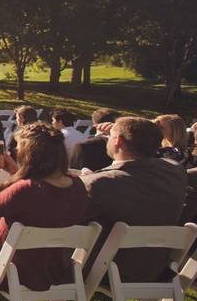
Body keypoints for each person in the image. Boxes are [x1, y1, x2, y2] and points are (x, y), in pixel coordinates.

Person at [0, 123, 89, 295]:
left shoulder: (28, 189)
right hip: (52, 264)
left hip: (14, 263)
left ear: (29, 154)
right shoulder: (77, 185)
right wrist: (15, 171)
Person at [80, 117, 187, 282]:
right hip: (153, 269)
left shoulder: (99, 183)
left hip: (106, 269)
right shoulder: (175, 173)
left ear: (118, 141)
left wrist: (86, 181)